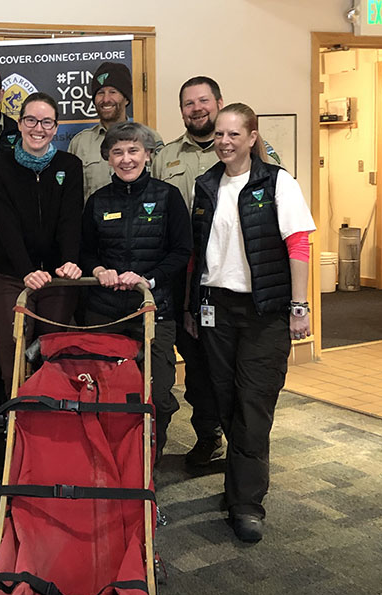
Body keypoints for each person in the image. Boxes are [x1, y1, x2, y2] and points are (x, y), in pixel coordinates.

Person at [189, 103, 314, 543]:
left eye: (234, 135)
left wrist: (300, 307)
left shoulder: (277, 182)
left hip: (265, 312)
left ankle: (247, 505)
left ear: (252, 136)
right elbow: (197, 253)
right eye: (220, 134)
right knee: (224, 400)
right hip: (216, 311)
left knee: (253, 404)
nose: (225, 142)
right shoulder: (205, 185)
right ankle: (238, 486)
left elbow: (299, 245)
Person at [152, 76, 280, 467]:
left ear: (219, 103)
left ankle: (226, 438)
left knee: (226, 367)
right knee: (194, 358)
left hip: (230, 274)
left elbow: (274, 198)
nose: (197, 109)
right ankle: (210, 431)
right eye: (188, 104)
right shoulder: (165, 155)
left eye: (203, 101)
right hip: (181, 271)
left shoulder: (248, 149)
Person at [81, 123, 191, 461]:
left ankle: (149, 463)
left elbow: (181, 251)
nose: (126, 159)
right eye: (118, 152)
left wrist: (149, 279)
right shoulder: (97, 201)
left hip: (154, 310)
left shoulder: (167, 196)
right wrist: (98, 270)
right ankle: (111, 461)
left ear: (147, 154)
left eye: (133, 151)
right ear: (108, 158)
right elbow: (85, 252)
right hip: (105, 312)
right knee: (107, 393)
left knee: (157, 395)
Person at [0, 92, 83, 393]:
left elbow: (71, 219)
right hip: (13, 276)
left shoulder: (70, 165)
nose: (38, 128)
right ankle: (18, 432)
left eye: (46, 122)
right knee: (13, 358)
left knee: (52, 356)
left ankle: (51, 433)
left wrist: (69, 260)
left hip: (57, 278)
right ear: (20, 123)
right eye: (30, 120)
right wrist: (26, 269)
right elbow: (5, 225)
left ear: (55, 128)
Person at [68, 62, 163, 202]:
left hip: (142, 220)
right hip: (95, 221)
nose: (106, 99)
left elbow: (161, 187)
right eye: (100, 93)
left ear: (126, 99)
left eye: (113, 92)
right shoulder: (80, 143)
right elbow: (72, 196)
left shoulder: (150, 137)